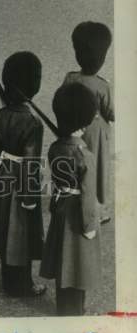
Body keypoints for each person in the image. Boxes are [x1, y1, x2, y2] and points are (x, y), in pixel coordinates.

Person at [0, 51, 46, 297]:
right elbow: (31, 164)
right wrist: (30, 198)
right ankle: (23, 284)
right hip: (20, 179)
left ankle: (9, 280)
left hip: (3, 174)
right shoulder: (33, 122)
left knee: (5, 227)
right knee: (22, 233)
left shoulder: (1, 114)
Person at [39, 82, 101, 316]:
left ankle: (65, 306)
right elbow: (88, 196)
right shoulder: (85, 155)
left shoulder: (55, 147)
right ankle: (75, 311)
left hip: (61, 206)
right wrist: (90, 226)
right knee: (78, 264)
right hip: (77, 213)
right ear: (84, 123)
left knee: (62, 261)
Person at [63, 21, 114, 223]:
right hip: (97, 136)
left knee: (76, 166)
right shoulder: (102, 85)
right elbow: (112, 113)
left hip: (74, 130)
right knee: (99, 169)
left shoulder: (70, 78)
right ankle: (99, 209)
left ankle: (75, 201)